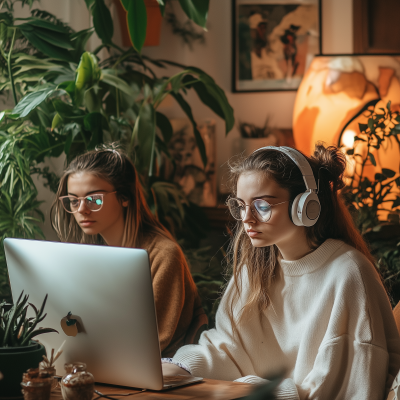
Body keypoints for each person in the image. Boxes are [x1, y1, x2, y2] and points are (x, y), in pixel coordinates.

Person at [162, 144, 400, 399]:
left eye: (262, 206)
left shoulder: (349, 274)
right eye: (241, 206)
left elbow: (341, 390)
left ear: (305, 206)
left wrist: (254, 389)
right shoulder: (253, 269)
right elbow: (228, 348)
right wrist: (181, 368)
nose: (247, 219)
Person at [51, 145, 207, 357]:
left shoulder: (163, 255)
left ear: (124, 197)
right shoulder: (90, 255)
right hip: (99, 365)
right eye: (74, 200)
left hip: (160, 374)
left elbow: (154, 340)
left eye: (94, 199)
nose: (82, 210)